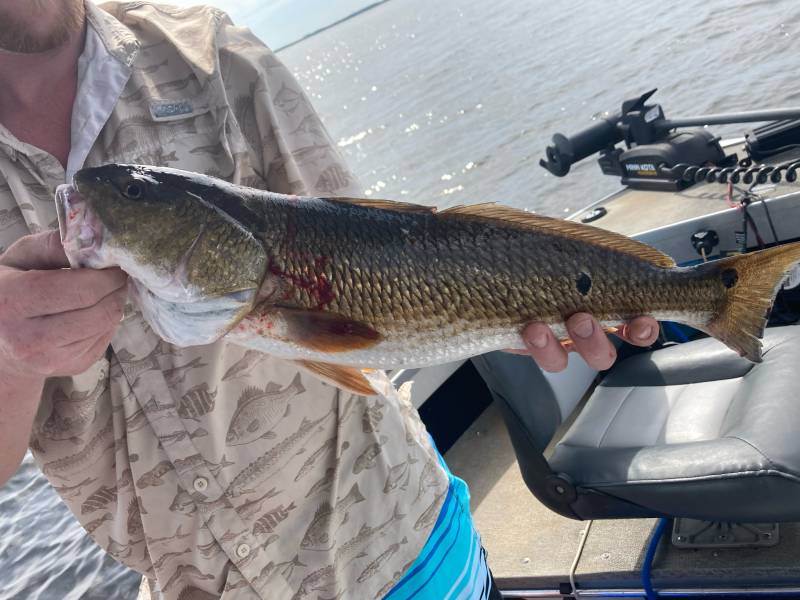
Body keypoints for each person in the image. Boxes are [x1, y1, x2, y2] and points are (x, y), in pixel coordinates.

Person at [0, 1, 659, 598]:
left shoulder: (211, 53)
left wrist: (515, 306)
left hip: (397, 540)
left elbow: (388, 248)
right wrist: (9, 357)